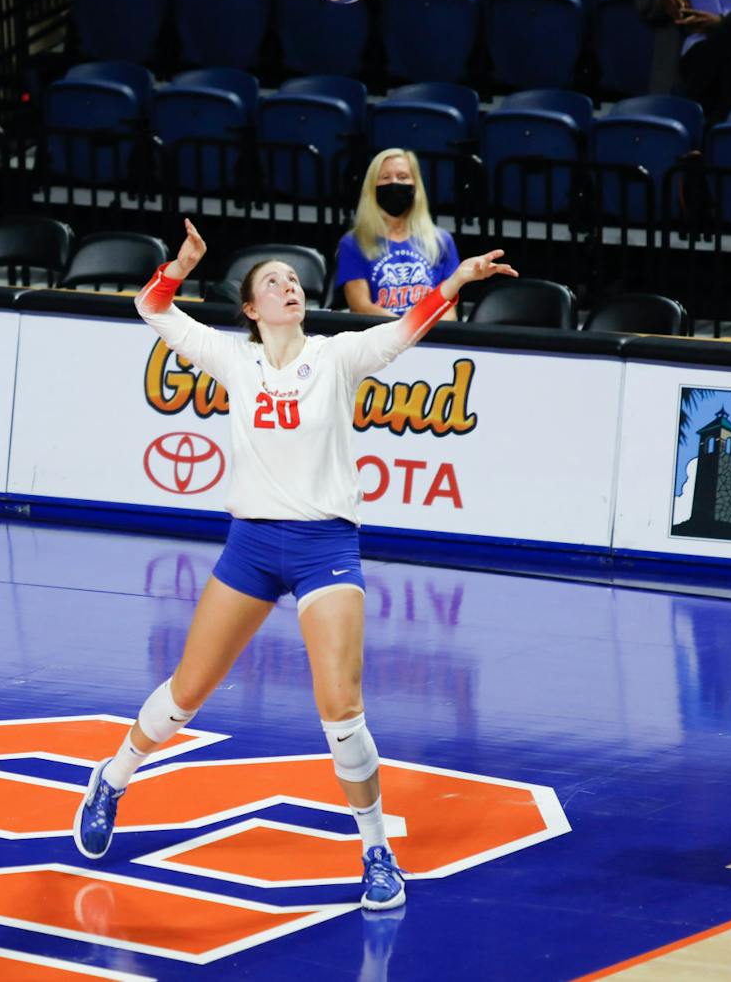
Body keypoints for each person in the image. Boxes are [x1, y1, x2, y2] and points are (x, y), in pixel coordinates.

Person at [72, 215, 517, 910]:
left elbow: (407, 328)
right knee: (185, 694)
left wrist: (456, 278)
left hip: (325, 547)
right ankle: (114, 776)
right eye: (271, 280)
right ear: (250, 308)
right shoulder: (232, 359)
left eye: (291, 279)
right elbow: (150, 305)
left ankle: (375, 850)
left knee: (341, 708)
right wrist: (184, 262)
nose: (287, 285)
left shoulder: (337, 356)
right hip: (250, 546)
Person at [336, 149, 461, 318]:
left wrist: (417, 329)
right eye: (385, 177)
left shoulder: (441, 241)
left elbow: (449, 310)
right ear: (372, 188)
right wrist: (404, 329)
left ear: (415, 187)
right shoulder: (353, 243)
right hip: (379, 337)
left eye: (402, 177)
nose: (394, 183)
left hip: (430, 338)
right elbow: (360, 307)